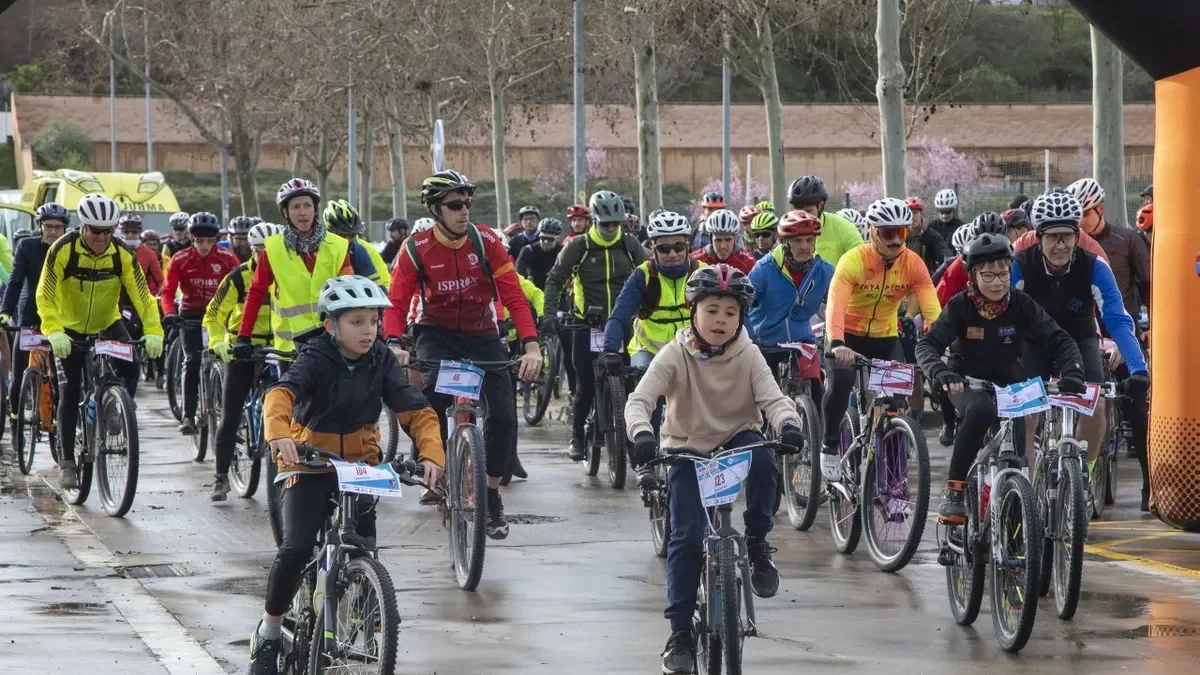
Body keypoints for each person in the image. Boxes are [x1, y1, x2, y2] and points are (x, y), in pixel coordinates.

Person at [244, 275, 444, 675]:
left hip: (360, 464)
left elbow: (415, 409)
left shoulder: (381, 358)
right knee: (296, 548)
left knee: (363, 545)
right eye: (356, 322)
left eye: (373, 320)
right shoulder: (316, 355)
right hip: (309, 460)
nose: (368, 330)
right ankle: (269, 631)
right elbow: (281, 394)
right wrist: (279, 434)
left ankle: (362, 603)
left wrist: (431, 454)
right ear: (330, 324)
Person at [624, 264, 804, 675]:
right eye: (711, 310)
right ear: (693, 311)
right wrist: (642, 434)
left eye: (730, 312)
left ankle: (757, 544)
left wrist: (788, 424)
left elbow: (774, 399)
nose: (721, 320)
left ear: (741, 318)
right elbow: (640, 401)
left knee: (764, 459)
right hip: (686, 447)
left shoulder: (749, 353)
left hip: (737, 437)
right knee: (686, 537)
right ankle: (680, 633)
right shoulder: (674, 353)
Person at [383, 170, 543, 540]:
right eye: (455, 205)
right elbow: (396, 301)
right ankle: (435, 466)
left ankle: (490, 494)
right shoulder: (416, 248)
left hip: (482, 333)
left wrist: (531, 345)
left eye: (468, 203)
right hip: (436, 333)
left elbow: (514, 295)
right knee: (429, 405)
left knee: (504, 416)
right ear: (435, 210)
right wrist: (393, 343)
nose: (464, 211)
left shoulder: (487, 242)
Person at [916, 232, 1085, 523]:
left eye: (1003, 274)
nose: (997, 283)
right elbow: (926, 345)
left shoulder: (1021, 303)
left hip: (1009, 385)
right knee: (982, 408)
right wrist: (941, 373)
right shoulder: (959, 306)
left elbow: (1060, 338)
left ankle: (1018, 520)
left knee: (1017, 457)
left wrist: (1073, 370)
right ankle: (955, 489)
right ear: (973, 276)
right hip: (966, 382)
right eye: (988, 276)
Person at [1013, 190, 1150, 509]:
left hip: (1080, 337)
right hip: (1036, 341)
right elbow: (1003, 315)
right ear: (1038, 237)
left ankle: (1083, 473)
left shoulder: (1094, 266)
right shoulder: (1020, 264)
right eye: (1053, 237)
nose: (1061, 245)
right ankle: (1026, 488)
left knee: (1096, 403)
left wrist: (1138, 367)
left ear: (1078, 236)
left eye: (1068, 236)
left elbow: (1118, 319)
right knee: (1025, 413)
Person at [36, 193, 164, 490]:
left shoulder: (122, 254)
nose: (102, 238)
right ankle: (68, 462)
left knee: (132, 362)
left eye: (108, 231)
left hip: (107, 323)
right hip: (68, 328)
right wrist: (53, 330)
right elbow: (46, 294)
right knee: (69, 392)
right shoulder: (63, 249)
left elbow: (143, 296)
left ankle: (114, 408)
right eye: (96, 231)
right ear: (83, 226)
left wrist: (154, 330)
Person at [821, 197, 941, 481]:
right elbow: (835, 306)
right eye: (889, 233)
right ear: (873, 232)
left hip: (884, 337)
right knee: (841, 383)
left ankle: (896, 482)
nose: (897, 240)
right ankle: (828, 445)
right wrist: (836, 342)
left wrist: (942, 345)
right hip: (846, 336)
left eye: (902, 232)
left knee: (896, 405)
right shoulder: (853, 261)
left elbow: (933, 310)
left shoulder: (913, 263)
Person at [541, 189, 646, 462]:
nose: (611, 229)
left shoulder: (630, 245)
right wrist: (549, 314)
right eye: (606, 224)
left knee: (630, 384)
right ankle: (577, 434)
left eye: (616, 224)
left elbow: (651, 274)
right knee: (585, 386)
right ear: (595, 221)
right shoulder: (580, 246)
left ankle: (629, 436)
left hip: (621, 325)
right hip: (586, 326)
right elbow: (554, 280)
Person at [233, 178, 354, 356]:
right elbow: (256, 293)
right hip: (290, 346)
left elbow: (350, 291)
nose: (303, 212)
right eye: (296, 207)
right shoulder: (273, 249)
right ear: (286, 212)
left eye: (307, 205)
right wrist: (243, 336)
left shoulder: (338, 246)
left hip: (331, 340)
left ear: (315, 209)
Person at [204, 223, 278, 501]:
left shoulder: (287, 274)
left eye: (270, 250)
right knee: (231, 414)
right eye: (259, 250)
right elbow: (213, 314)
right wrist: (218, 342)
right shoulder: (238, 277)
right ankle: (221, 476)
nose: (264, 256)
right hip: (241, 348)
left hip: (276, 348)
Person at [161, 212, 240, 435]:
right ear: (191, 238)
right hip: (190, 315)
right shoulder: (180, 259)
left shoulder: (227, 258)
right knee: (193, 361)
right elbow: (167, 291)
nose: (204, 246)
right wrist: (169, 312)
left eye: (209, 241)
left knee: (227, 361)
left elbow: (242, 287)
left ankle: (229, 415)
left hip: (218, 317)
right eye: (199, 241)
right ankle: (188, 415)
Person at [601, 209, 699, 372]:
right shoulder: (642, 275)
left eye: (678, 247)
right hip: (648, 349)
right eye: (664, 249)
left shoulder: (701, 272)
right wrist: (610, 350)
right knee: (644, 379)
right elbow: (619, 315)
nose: (672, 254)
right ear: (653, 249)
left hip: (692, 347)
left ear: (687, 247)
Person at [747, 209, 835, 381]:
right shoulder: (764, 269)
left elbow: (838, 307)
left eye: (809, 240)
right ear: (785, 242)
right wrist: (749, 338)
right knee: (764, 393)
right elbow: (742, 305)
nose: (805, 246)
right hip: (766, 343)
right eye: (798, 240)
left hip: (803, 341)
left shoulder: (824, 271)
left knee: (816, 386)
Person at [3, 203, 67, 430]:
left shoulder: (69, 249)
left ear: (65, 229)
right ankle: (15, 418)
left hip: (60, 319)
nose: (52, 232)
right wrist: (5, 312)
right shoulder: (27, 247)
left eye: (57, 227)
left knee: (61, 378)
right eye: (48, 226)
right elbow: (15, 281)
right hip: (30, 316)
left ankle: (61, 421)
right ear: (39, 227)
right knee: (19, 372)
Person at [1066, 177, 1152, 323]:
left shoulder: (1127, 239)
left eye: (1085, 214)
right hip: (1085, 325)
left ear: (1100, 209)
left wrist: (1153, 327)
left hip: (1123, 323)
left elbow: (1148, 284)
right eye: (1076, 216)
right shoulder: (1069, 243)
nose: (1080, 221)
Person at [786, 175, 864, 267]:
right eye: (798, 211)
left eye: (808, 211)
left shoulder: (844, 228)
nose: (802, 217)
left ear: (820, 206)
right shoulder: (786, 231)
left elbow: (862, 263)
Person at [322, 199, 391, 290]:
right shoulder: (318, 251)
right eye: (343, 236)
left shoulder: (361, 250)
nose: (347, 240)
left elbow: (380, 285)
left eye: (351, 235)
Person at [689, 209, 756, 274]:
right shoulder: (696, 259)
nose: (723, 246)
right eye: (718, 240)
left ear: (735, 238)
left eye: (728, 240)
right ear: (711, 239)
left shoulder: (748, 262)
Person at [118, 213, 166, 296]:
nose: (130, 235)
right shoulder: (113, 249)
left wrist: (161, 294)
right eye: (126, 232)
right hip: (116, 296)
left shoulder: (149, 254)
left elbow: (160, 280)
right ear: (121, 232)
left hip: (140, 296)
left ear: (139, 232)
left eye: (134, 232)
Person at [904, 196, 952, 275]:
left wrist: (948, 258)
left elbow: (943, 249)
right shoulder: (900, 235)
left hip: (926, 277)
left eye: (915, 212)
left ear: (921, 214)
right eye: (908, 213)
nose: (912, 216)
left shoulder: (930, 235)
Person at [516, 218, 563, 289]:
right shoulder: (528, 250)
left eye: (550, 239)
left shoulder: (563, 251)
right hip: (533, 289)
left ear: (557, 239)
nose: (546, 242)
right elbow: (519, 276)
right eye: (543, 238)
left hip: (557, 289)